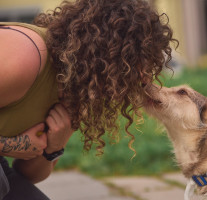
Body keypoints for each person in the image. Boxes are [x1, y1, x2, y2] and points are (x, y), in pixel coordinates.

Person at [0, 0, 177, 199]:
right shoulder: (26, 57)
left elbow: (26, 175)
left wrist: (53, 148)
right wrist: (11, 144)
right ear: (104, 54)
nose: (144, 79)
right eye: (135, 63)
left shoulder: (75, 92)